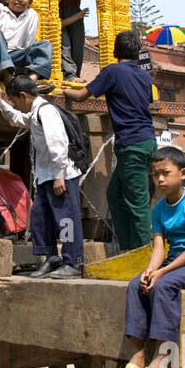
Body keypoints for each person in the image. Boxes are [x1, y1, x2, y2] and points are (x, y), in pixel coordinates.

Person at [115, 145, 185, 368]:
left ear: (182, 174)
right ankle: (137, 355)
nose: (159, 179)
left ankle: (162, 359)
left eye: (165, 173)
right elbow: (158, 247)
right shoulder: (159, 208)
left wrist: (161, 274)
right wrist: (150, 270)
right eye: (155, 174)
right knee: (135, 285)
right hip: (172, 262)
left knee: (162, 285)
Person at [63, 28, 157, 250]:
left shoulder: (112, 71)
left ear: (115, 51)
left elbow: (80, 96)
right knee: (114, 194)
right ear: (137, 52)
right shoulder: (145, 76)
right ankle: (128, 246)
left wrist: (63, 89)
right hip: (147, 140)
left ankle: (142, 255)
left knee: (138, 203)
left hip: (132, 144)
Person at [0, 75, 83, 277]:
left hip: (60, 174)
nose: (15, 105)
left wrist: (59, 175)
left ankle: (73, 262)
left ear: (23, 96)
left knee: (66, 220)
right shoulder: (36, 112)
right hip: (46, 175)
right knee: (41, 217)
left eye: (14, 101)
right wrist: (1, 102)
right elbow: (19, 119)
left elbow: (58, 143)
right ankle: (51, 259)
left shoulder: (46, 111)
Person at [59, 0, 91, 79]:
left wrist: (78, 15)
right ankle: (70, 75)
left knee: (77, 46)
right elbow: (59, 24)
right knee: (64, 44)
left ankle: (75, 75)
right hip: (57, 9)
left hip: (74, 7)